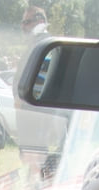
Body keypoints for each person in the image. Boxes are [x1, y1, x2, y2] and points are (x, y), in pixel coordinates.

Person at [15, 5, 65, 180]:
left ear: (40, 21)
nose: (24, 26)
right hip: (31, 112)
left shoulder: (45, 44)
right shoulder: (39, 44)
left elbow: (42, 82)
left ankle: (38, 188)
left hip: (35, 112)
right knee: (31, 159)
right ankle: (35, 186)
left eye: (27, 22)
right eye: (23, 22)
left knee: (35, 158)